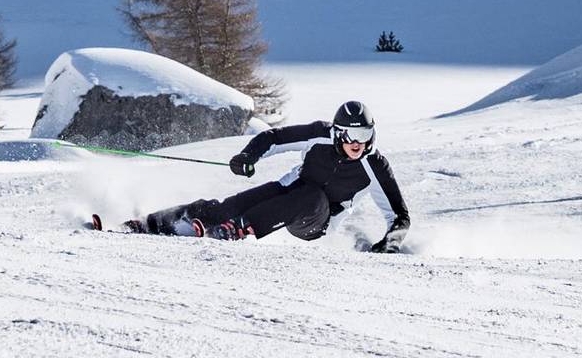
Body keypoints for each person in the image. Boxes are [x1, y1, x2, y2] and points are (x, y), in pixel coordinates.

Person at [127, 101, 412, 252]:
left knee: (312, 196)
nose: (357, 143)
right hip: (287, 194)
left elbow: (399, 216)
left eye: (364, 134)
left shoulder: (375, 165)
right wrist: (248, 156)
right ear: (338, 132)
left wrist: (389, 245)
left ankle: (240, 229)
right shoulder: (320, 136)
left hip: (317, 224)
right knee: (227, 206)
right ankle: (152, 223)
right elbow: (274, 137)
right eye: (351, 134)